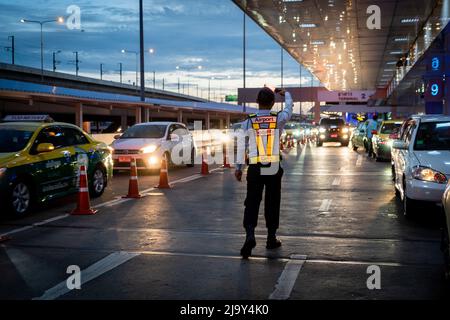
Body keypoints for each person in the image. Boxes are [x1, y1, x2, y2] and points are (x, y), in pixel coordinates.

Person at [234, 87, 293, 258]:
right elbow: (289, 108)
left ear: (257, 103)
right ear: (273, 103)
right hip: (273, 166)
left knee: (252, 202)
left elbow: (242, 146)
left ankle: (250, 235)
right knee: (272, 202)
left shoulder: (249, 122)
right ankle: (271, 238)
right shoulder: (278, 118)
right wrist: (286, 94)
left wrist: (238, 168)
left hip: (254, 166)